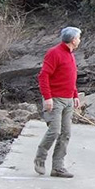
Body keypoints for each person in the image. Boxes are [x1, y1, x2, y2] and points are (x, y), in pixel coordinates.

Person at [34, 26, 81, 178]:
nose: (80, 40)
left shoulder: (71, 55)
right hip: (55, 99)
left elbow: (71, 77)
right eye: (79, 38)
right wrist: (47, 98)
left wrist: (75, 95)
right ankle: (40, 159)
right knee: (55, 131)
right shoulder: (54, 53)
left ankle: (58, 168)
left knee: (66, 133)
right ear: (73, 40)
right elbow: (43, 76)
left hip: (68, 100)